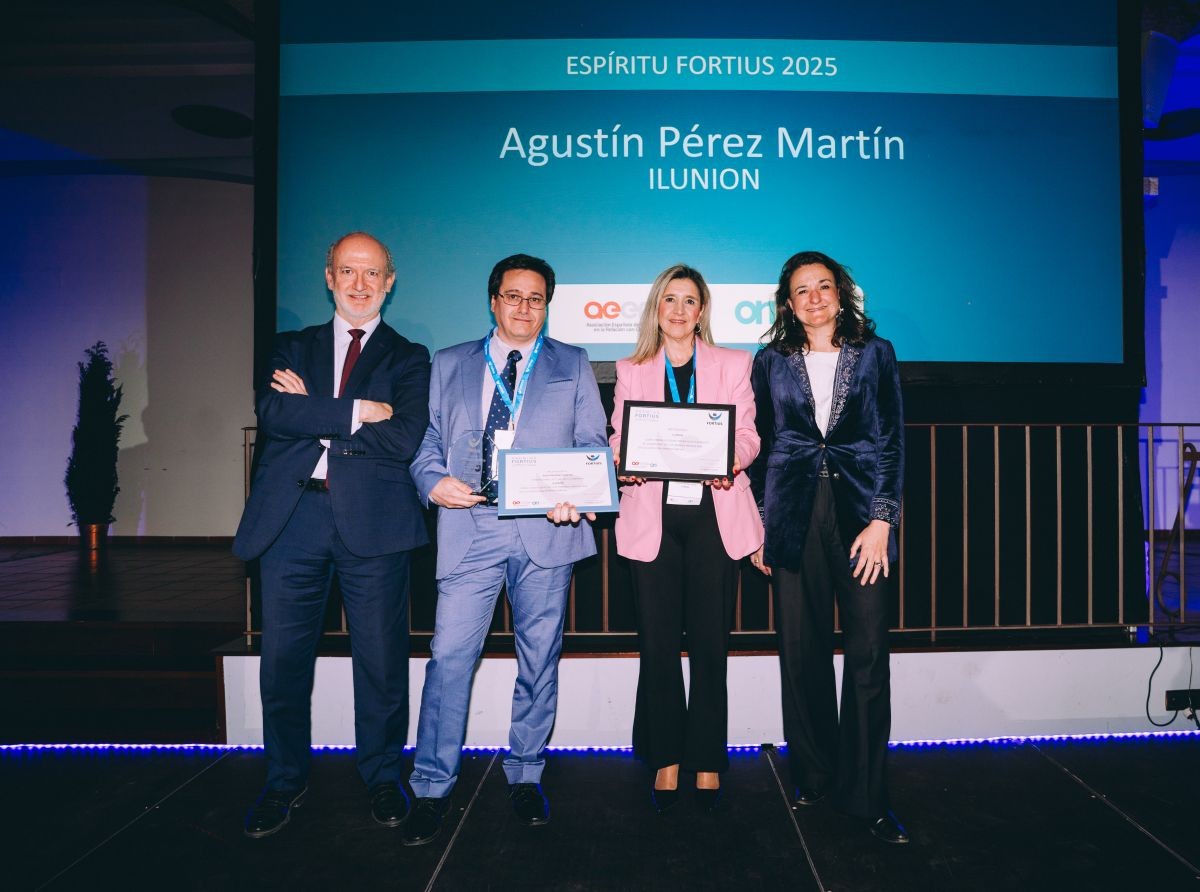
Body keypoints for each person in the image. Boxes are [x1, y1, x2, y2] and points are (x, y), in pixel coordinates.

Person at [401, 253, 607, 846]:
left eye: (536, 299)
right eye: (513, 296)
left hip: (547, 529)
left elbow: (592, 441)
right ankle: (433, 785)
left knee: (538, 661)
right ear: (493, 301)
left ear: (547, 305)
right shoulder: (449, 363)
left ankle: (525, 771)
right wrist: (431, 479)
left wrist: (579, 494)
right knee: (449, 661)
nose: (524, 307)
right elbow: (426, 440)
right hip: (471, 526)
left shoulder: (572, 361)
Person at [233, 232, 431, 838]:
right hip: (291, 522)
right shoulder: (290, 345)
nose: (360, 283)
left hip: (374, 525)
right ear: (329, 276)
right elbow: (273, 415)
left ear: (390, 282)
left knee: (380, 662)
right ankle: (283, 780)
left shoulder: (409, 357)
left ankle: (381, 778)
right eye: (348, 271)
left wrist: (315, 410)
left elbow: (403, 440)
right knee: (284, 664)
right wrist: (356, 410)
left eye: (373, 273)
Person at [747, 250, 908, 844]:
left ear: (841, 294)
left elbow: (891, 440)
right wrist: (761, 525)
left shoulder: (876, 354)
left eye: (823, 287)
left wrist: (882, 520)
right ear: (788, 303)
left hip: (861, 518)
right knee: (801, 649)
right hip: (791, 516)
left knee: (867, 655)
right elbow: (763, 446)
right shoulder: (769, 361)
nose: (813, 298)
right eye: (801, 291)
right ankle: (813, 775)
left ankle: (865, 795)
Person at [610, 265, 763, 812]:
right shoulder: (632, 369)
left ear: (702, 311)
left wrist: (732, 459)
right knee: (656, 646)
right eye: (669, 300)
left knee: (709, 646)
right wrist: (620, 460)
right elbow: (617, 435)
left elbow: (747, 434)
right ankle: (666, 756)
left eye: (689, 301)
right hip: (652, 516)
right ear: (657, 308)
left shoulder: (733, 364)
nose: (678, 310)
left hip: (712, 518)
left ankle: (706, 759)